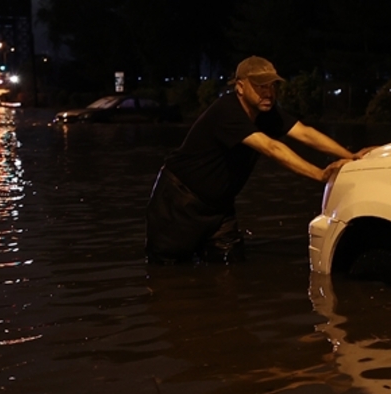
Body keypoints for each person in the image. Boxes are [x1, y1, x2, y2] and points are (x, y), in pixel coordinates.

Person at [146, 56, 363, 262]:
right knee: (168, 273)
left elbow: (304, 133)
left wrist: (350, 156)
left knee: (229, 266)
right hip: (179, 203)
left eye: (272, 86)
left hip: (220, 207)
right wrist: (320, 175)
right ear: (240, 87)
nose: (268, 93)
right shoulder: (227, 111)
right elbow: (271, 148)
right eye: (260, 86)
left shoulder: (267, 113)